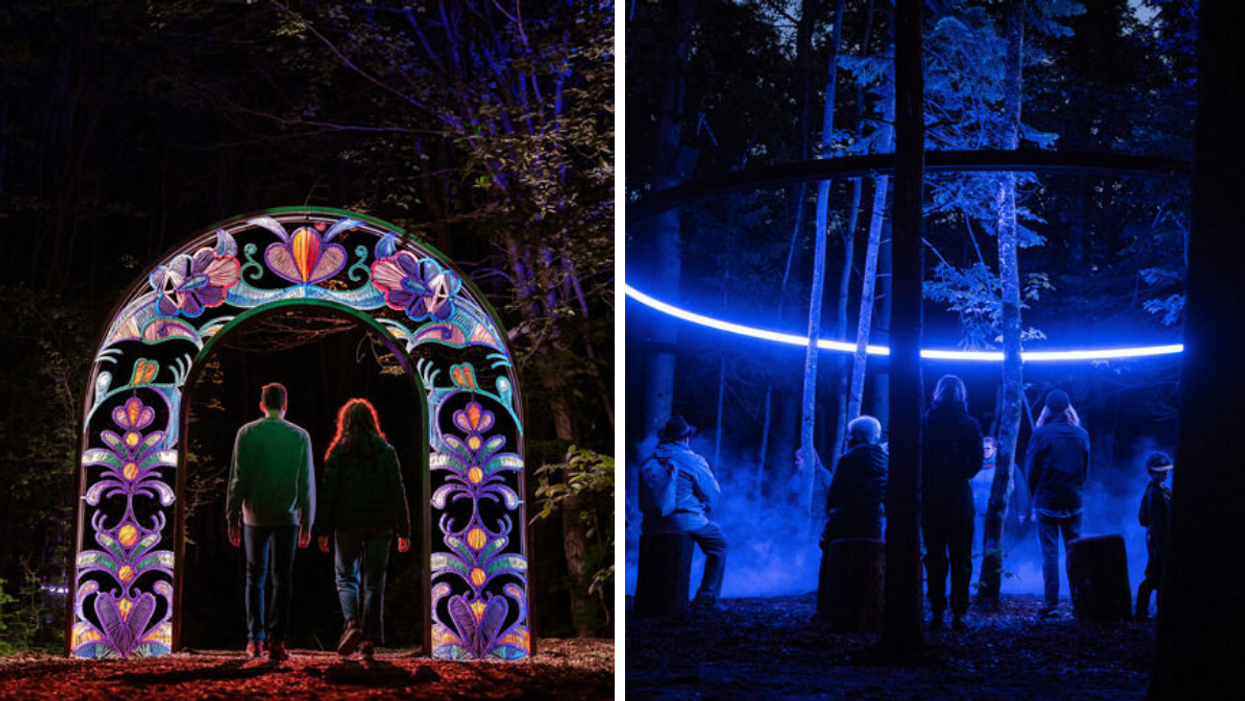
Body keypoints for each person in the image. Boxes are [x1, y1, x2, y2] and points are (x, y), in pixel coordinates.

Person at [316, 399, 412, 660]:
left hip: (347, 523)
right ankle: (368, 641)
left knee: (346, 577)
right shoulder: (386, 451)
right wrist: (404, 530)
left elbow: (329, 493)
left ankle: (352, 624)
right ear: (372, 421)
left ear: (344, 422)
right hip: (381, 524)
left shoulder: (338, 453)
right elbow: (397, 491)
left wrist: (322, 529)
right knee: (374, 581)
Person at [226, 383, 316, 662]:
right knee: (282, 580)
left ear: (262, 404)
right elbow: (306, 482)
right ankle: (277, 642)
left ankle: (255, 640)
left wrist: (232, 516)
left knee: (255, 578)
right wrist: (307, 522)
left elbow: (238, 478)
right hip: (287, 517)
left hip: (254, 515)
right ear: (285, 405)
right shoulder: (300, 435)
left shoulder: (246, 433)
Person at [639, 416, 728, 613]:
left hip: (651, 523)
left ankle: (652, 600)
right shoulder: (692, 460)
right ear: (685, 439)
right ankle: (706, 601)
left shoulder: (649, 461)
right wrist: (705, 506)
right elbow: (713, 494)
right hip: (686, 521)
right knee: (719, 545)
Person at [921, 375, 984, 631]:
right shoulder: (969, 424)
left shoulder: (926, 421)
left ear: (937, 393)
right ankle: (960, 613)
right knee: (961, 559)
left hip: (931, 499)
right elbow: (976, 463)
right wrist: (959, 472)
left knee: (934, 558)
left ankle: (936, 611)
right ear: (962, 395)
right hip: (959, 500)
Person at [1023, 388, 1090, 618]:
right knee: (1076, 553)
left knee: (1050, 555)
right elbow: (1085, 468)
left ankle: (1051, 605)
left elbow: (1030, 471)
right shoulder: (1081, 434)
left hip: (1047, 500)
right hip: (1073, 500)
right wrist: (1078, 490)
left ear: (1048, 408)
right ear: (1068, 407)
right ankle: (1081, 603)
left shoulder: (1040, 434)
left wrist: (1035, 496)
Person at [815, 416, 888, 614]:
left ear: (857, 436)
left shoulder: (848, 460)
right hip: (873, 524)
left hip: (844, 523)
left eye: (849, 435)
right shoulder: (885, 461)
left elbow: (835, 495)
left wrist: (828, 522)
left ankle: (826, 609)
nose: (847, 439)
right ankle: (863, 609)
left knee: (828, 558)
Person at [1135, 451, 1173, 621]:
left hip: (1160, 540)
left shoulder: (1162, 489)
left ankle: (1160, 611)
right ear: (1151, 472)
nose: (1165, 473)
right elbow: (1150, 521)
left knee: (1161, 576)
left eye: (1166, 470)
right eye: (1160, 470)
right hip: (1158, 541)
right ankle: (1141, 613)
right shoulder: (1154, 493)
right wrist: (1162, 546)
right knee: (1153, 576)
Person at [787, 448, 833, 535]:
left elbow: (833, 499)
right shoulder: (797, 476)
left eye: (798, 460)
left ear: (808, 459)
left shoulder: (824, 476)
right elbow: (791, 500)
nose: (796, 463)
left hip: (818, 524)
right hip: (798, 523)